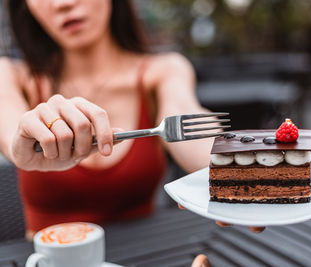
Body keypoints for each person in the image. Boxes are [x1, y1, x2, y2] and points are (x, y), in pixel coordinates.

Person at [0, 0, 265, 239]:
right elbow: (10, 130)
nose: (63, 3)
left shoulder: (164, 70)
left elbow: (184, 116)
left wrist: (231, 170)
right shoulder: (10, 75)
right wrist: (21, 143)